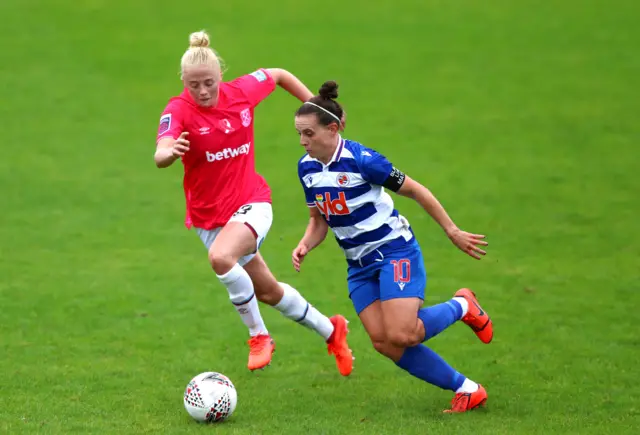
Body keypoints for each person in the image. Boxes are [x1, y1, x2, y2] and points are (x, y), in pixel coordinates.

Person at [154, 30, 353, 376]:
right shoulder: (178, 110)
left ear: (221, 77)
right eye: (194, 85)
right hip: (208, 218)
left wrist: (317, 106)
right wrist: (169, 153)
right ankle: (332, 331)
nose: (202, 91)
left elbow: (277, 75)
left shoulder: (241, 92)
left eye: (209, 83)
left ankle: (259, 335)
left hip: (252, 202)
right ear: (183, 81)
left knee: (220, 257)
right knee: (268, 291)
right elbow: (160, 152)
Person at [291, 81, 493, 412]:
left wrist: (452, 230)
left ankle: (463, 306)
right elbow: (319, 220)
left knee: (403, 333)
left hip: (393, 251)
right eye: (299, 134)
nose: (303, 141)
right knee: (384, 343)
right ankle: (468, 389)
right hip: (358, 266)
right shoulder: (307, 168)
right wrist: (305, 243)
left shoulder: (364, 161)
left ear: (333, 128)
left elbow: (417, 191)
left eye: (309, 133)